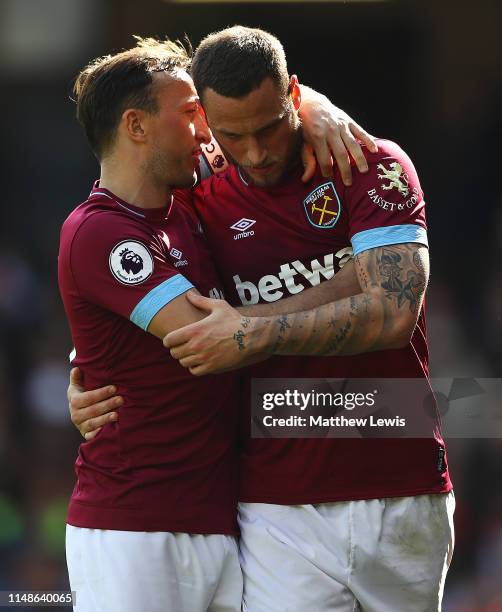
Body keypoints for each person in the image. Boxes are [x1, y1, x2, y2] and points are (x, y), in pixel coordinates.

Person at [69, 27, 454, 611]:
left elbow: (393, 312)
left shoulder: (369, 163)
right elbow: (124, 263)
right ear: (204, 122)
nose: (255, 153)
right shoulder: (198, 187)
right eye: (232, 135)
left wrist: (247, 331)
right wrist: (87, 362)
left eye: (270, 128)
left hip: (398, 474)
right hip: (273, 503)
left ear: (294, 96)